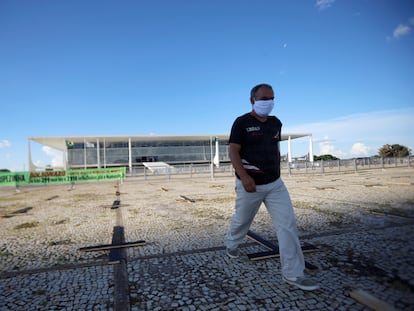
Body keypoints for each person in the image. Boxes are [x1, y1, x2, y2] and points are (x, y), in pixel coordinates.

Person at [225, 83, 319, 291]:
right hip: (249, 184)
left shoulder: (276, 123)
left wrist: (276, 171)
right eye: (264, 99)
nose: (268, 102)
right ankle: (231, 244)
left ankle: (294, 274)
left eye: (272, 98)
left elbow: (274, 148)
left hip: (275, 184)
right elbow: (233, 152)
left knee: (287, 226)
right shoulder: (241, 122)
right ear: (253, 100)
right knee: (242, 221)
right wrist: (244, 176)